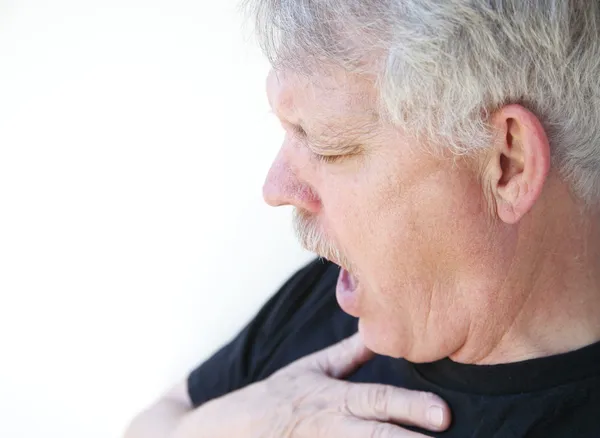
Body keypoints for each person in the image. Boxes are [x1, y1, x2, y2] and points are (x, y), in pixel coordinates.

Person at [125, 1, 600, 437]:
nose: (276, 189)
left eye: (328, 144)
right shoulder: (347, 290)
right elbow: (153, 423)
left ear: (506, 164)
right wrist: (253, 423)